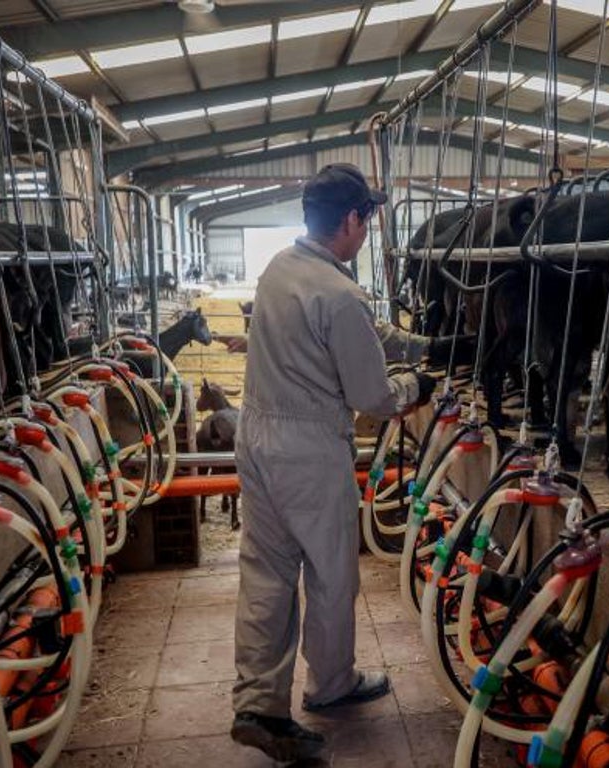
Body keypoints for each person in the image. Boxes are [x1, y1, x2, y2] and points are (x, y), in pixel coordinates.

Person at [230, 163, 439, 762]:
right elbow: (371, 397)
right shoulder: (340, 293)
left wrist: (414, 343)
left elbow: (352, 333)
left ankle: (258, 705)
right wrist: (414, 382)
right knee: (329, 574)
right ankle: (330, 685)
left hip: (259, 437)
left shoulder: (279, 270)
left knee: (267, 573)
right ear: (351, 220)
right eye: (367, 219)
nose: (367, 230)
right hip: (310, 450)